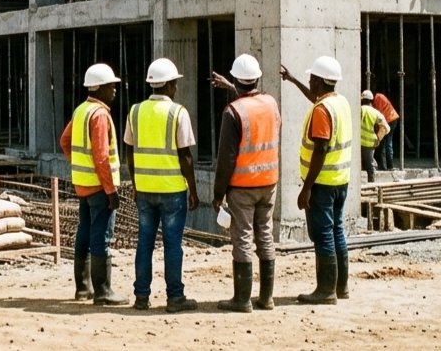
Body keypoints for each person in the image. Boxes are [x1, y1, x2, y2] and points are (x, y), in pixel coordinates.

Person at [124, 57, 200, 313]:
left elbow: (129, 153)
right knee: (172, 244)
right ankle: (175, 297)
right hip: (171, 190)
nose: (176, 88)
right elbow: (185, 156)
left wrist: (134, 184)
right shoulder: (178, 112)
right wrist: (193, 190)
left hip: (144, 189)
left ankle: (141, 297)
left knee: (144, 243)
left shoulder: (135, 111)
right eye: (174, 84)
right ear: (167, 86)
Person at [210, 54, 281, 312]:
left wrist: (218, 193)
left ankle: (242, 300)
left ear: (236, 82)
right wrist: (233, 87)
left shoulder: (232, 112)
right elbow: (253, 104)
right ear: (258, 78)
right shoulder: (271, 103)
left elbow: (226, 158)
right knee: (265, 236)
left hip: (242, 185)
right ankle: (267, 298)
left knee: (242, 238)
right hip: (269, 181)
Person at [281, 56, 353, 304]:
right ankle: (341, 287)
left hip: (322, 184)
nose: (309, 81)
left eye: (311, 78)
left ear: (321, 82)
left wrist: (306, 188)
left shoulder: (322, 111)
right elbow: (315, 99)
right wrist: (292, 80)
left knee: (323, 234)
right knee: (336, 232)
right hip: (340, 181)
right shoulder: (339, 103)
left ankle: (326, 290)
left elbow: (321, 149)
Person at [60, 63, 128, 306]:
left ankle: (83, 288)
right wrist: (111, 190)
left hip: (82, 185)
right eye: (111, 86)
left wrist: (78, 163)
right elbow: (101, 156)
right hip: (99, 188)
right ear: (100, 88)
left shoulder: (81, 111)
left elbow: (64, 141)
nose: (115, 91)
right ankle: (103, 291)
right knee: (102, 236)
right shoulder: (99, 115)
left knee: (85, 233)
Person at [366, 89, 400, 170]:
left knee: (386, 143)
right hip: (390, 120)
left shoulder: (378, 98)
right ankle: (385, 165)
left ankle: (389, 165)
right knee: (385, 143)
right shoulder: (378, 98)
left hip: (390, 120)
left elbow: (379, 116)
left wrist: (377, 131)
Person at [359, 92, 390, 182]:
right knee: (369, 164)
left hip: (358, 142)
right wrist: (378, 138)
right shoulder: (375, 112)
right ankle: (371, 182)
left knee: (357, 164)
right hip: (370, 143)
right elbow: (386, 128)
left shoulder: (358, 110)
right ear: (371, 100)